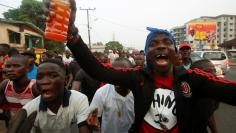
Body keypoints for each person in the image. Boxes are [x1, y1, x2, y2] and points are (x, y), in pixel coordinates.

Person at [45, 1, 236, 132]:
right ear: (147, 54)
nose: (161, 46)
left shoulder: (194, 79)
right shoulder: (138, 77)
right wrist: (72, 36)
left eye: (167, 43)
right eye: (153, 44)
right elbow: (98, 70)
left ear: (175, 52)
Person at [9, 59, 91, 133]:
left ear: (65, 80)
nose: (44, 82)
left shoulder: (79, 99)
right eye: (40, 77)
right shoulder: (30, 109)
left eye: (53, 76)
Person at [88, 57, 134, 133]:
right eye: (114, 74)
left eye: (122, 75)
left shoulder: (139, 92)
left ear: (131, 75)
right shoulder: (102, 92)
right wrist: (93, 122)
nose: (117, 78)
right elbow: (93, 118)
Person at [0, 55, 39, 127]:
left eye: (16, 66)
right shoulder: (5, 85)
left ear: (27, 68)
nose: (10, 69)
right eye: (8, 66)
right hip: (15, 127)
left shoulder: (35, 87)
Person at [190, 59, 219, 133]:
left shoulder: (213, 92)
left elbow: (209, 114)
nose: (214, 74)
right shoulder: (183, 93)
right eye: (208, 71)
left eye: (214, 70)